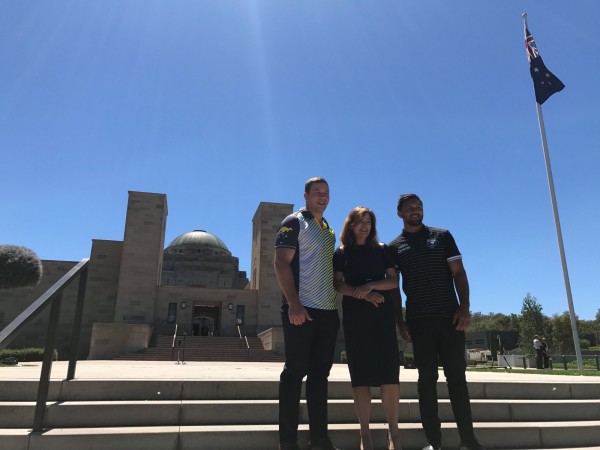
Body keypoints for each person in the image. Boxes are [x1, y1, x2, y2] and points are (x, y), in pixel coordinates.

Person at [388, 194, 486, 450]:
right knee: (426, 380)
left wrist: (464, 307)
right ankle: (434, 443)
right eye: (409, 208)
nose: (415, 211)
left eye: (419, 206)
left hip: (450, 319)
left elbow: (459, 272)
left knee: (457, 379)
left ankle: (469, 441)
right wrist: (400, 322)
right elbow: (394, 289)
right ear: (399, 213)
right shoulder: (394, 247)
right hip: (419, 322)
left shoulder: (442, 236)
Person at [274, 177, 340, 450]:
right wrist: (294, 303)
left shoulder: (328, 229)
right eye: (317, 193)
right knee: (294, 373)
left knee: (319, 377)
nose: (322, 197)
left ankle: (319, 439)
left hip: (328, 312)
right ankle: (288, 442)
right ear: (306, 195)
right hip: (301, 309)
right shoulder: (293, 221)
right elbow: (280, 263)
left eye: (326, 193)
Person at [333, 207, 402, 450]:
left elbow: (393, 281)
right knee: (360, 378)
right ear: (350, 225)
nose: (364, 226)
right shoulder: (342, 253)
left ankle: (394, 434)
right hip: (356, 319)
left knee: (389, 377)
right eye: (359, 222)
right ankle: (365, 434)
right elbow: (338, 285)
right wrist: (360, 294)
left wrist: (371, 286)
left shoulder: (383, 250)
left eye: (368, 222)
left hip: (381, 318)